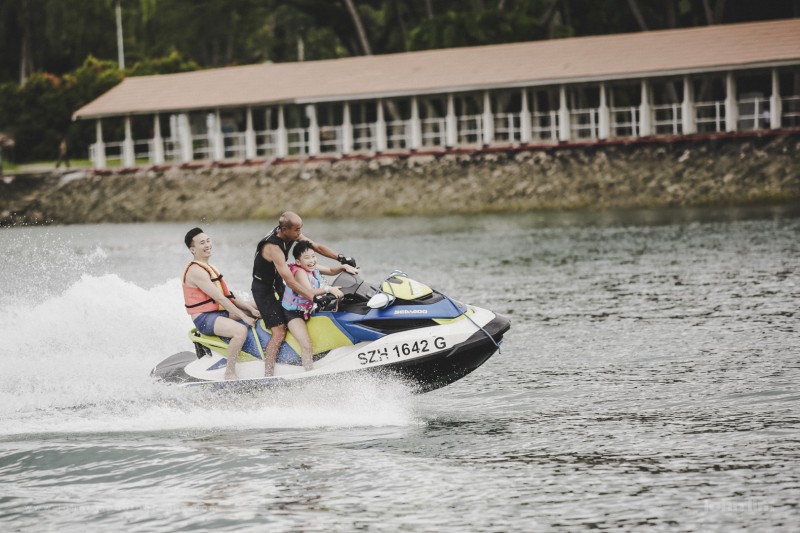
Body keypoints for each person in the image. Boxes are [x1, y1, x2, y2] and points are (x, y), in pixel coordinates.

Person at [251, 211, 357, 376]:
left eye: (300, 229)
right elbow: (291, 282)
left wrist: (341, 258)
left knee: (290, 304)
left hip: (276, 282)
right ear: (284, 229)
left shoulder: (290, 233)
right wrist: (314, 296)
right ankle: (268, 374)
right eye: (297, 230)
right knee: (279, 330)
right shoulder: (273, 247)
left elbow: (316, 246)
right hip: (263, 288)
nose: (300, 233)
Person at [183, 227, 260, 380]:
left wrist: (249, 307)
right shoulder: (195, 271)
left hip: (219, 312)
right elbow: (221, 299)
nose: (207, 245)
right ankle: (230, 372)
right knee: (240, 331)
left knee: (260, 305)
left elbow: (229, 295)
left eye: (208, 241)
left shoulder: (211, 267)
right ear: (193, 249)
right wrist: (244, 317)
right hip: (205, 319)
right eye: (202, 243)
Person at [282, 240, 353, 371]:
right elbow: (309, 291)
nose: (312, 260)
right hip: (292, 314)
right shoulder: (300, 272)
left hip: (307, 309)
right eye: (307, 257)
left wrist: (344, 267)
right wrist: (328, 289)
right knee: (306, 344)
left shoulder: (313, 267)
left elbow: (331, 270)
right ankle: (309, 373)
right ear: (298, 262)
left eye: (313, 256)